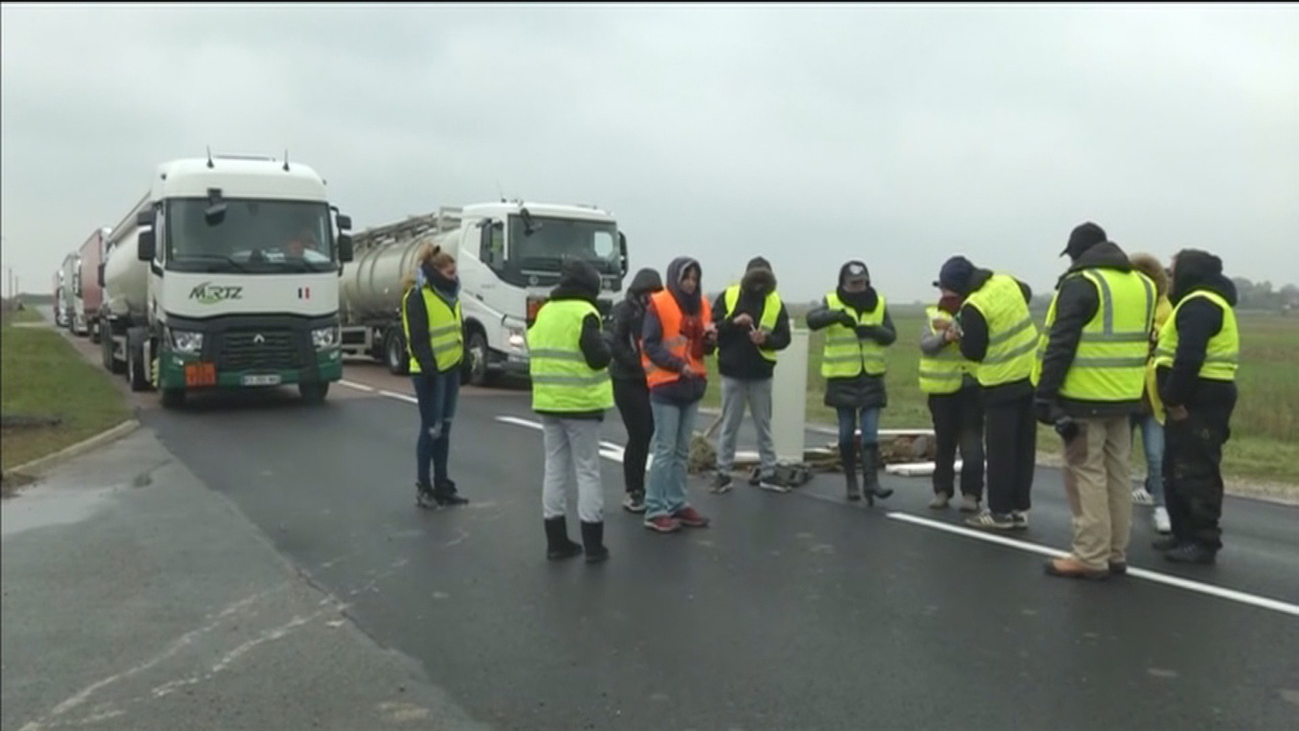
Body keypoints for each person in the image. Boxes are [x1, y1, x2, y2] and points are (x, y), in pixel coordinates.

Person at [1034, 223, 1155, 579]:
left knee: (1085, 475)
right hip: (1125, 397)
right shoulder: (1143, 285)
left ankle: (1089, 554)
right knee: (1117, 474)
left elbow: (1061, 344)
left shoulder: (1082, 284)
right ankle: (1115, 552)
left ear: (1077, 254)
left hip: (1084, 398)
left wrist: (1045, 396)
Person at [938, 255, 1038, 531]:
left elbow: (975, 350)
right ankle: (1020, 509)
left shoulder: (974, 306)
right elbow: (1026, 292)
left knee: (1001, 452)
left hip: (1002, 383)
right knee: (1023, 449)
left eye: (946, 288)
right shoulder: (1006, 282)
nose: (943, 294)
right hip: (1030, 375)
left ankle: (1000, 512)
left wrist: (959, 336)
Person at [1152, 249, 1239, 564]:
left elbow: (1189, 358)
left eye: (1172, 272)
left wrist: (1173, 399)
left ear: (1188, 273)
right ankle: (1183, 533)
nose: (1169, 278)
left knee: (1196, 470)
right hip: (1198, 397)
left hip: (1200, 399)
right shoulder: (1196, 303)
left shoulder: (1201, 304)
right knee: (1175, 469)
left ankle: (1202, 540)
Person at [529, 259, 614, 562]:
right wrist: (609, 341)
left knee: (554, 469)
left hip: (547, 402)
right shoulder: (586, 314)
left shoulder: (544, 312)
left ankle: (556, 542)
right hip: (581, 404)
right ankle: (593, 545)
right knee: (587, 471)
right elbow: (597, 358)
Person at [806, 261, 897, 504]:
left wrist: (873, 331)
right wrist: (835, 316)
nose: (859, 287)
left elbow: (891, 335)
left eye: (863, 283)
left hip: (871, 377)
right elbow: (812, 320)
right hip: (842, 378)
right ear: (844, 283)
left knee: (870, 433)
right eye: (854, 283)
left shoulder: (878, 303)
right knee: (846, 435)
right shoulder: (832, 300)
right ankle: (851, 481)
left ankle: (872, 482)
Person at [641, 257, 717, 533]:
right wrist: (677, 365)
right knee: (665, 449)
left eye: (694, 279)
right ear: (675, 278)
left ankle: (677, 502)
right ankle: (655, 508)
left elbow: (702, 349)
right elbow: (649, 344)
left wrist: (710, 342)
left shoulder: (703, 306)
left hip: (692, 384)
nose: (690, 283)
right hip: (666, 385)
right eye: (686, 278)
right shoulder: (659, 303)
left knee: (682, 450)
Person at [710, 257, 792, 493]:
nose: (758, 284)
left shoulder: (776, 303)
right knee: (729, 426)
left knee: (763, 425)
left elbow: (784, 337)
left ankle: (769, 472)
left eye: (763, 279)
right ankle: (723, 473)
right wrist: (733, 322)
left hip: (761, 373)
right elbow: (713, 330)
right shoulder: (729, 296)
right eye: (755, 278)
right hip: (732, 371)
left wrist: (766, 340)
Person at [401, 243, 469, 508]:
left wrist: (464, 360)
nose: (455, 278)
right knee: (431, 429)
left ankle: (442, 483)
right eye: (451, 273)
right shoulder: (417, 297)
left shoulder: (452, 296)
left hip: (450, 369)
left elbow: (457, 328)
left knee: (445, 430)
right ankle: (423, 486)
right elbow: (417, 338)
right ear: (437, 271)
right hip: (430, 373)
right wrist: (430, 369)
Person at [919, 290, 985, 512]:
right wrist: (945, 338)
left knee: (972, 445)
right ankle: (942, 490)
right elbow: (926, 345)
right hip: (942, 391)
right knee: (945, 443)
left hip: (971, 389)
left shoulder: (975, 314)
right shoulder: (932, 316)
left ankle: (971, 494)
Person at [609, 267, 664, 513]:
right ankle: (633, 489)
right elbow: (616, 344)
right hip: (626, 379)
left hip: (649, 379)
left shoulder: (657, 312)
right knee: (639, 433)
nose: (650, 296)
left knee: (647, 432)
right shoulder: (624, 311)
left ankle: (640, 487)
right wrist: (637, 364)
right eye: (647, 292)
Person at [1129, 252, 1174, 534]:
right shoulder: (1126, 305)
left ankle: (1161, 506)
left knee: (1156, 455)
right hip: (1124, 391)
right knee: (1116, 456)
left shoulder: (1166, 310)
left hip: (1153, 395)